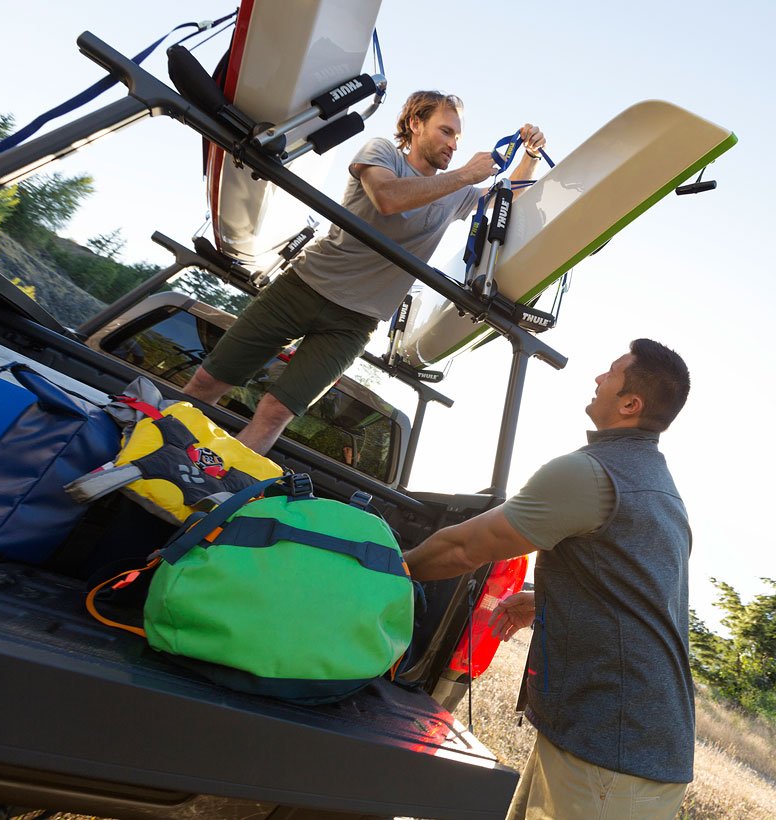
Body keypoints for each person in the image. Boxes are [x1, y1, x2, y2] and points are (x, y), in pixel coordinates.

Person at [404, 339, 693, 820]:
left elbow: (464, 548)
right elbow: (640, 592)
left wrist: (383, 566)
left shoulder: (591, 474)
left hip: (611, 755)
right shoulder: (659, 487)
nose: (598, 377)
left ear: (629, 404)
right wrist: (545, 597)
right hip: (620, 743)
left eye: (611, 372)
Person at [184, 90, 546, 454]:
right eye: (446, 131)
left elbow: (508, 195)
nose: (453, 145)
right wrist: (467, 174)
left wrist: (529, 155)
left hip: (356, 322)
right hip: (304, 287)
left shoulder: (456, 194)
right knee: (208, 381)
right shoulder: (382, 152)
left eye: (458, 138)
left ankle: (214, 484)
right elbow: (387, 198)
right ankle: (155, 457)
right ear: (416, 123)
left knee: (276, 411)